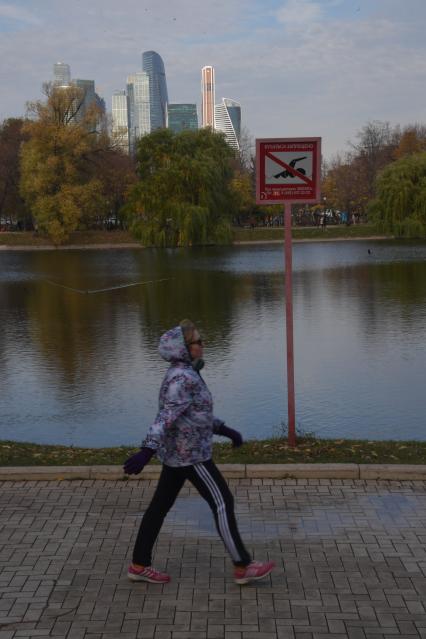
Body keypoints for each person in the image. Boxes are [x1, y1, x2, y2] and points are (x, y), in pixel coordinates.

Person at [123, 319, 275, 585]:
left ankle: (139, 565)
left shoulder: (187, 373)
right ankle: (243, 566)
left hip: (180, 454)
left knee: (158, 508)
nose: (202, 345)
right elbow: (166, 417)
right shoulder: (181, 378)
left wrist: (224, 430)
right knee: (222, 502)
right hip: (191, 456)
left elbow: (196, 415)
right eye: (197, 342)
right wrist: (146, 450)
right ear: (184, 348)